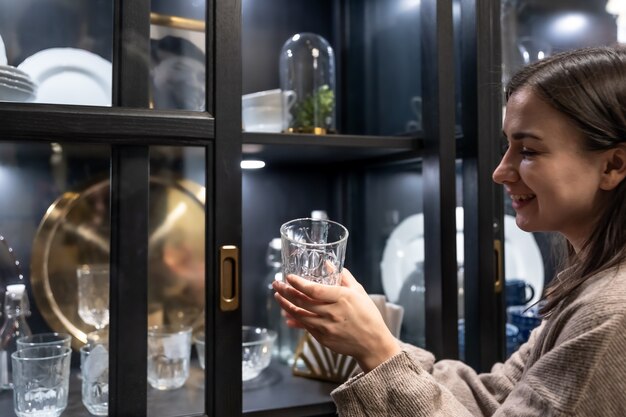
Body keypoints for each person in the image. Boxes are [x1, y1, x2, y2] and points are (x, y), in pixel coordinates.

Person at [273, 45, 626, 416]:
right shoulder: (588, 291)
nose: (500, 172)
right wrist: (369, 335)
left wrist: (375, 347)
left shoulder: (610, 314)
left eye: (528, 151)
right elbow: (492, 398)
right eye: (508, 146)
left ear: (612, 165)